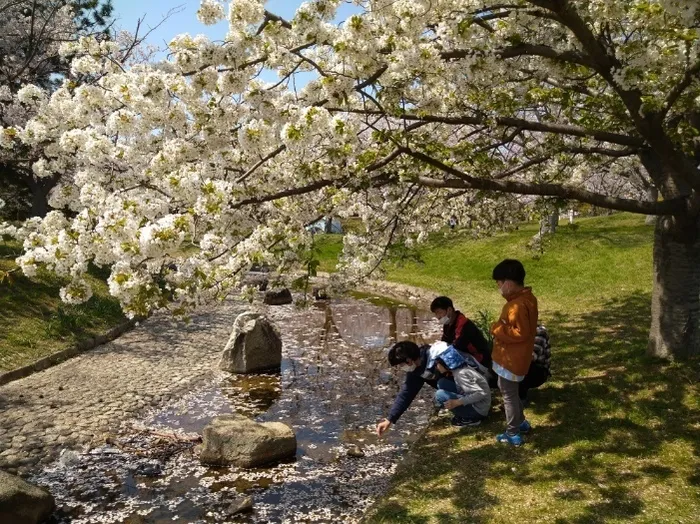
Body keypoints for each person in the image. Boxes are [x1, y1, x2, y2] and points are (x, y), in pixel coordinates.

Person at [490, 259, 538, 447]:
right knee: (512, 393)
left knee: (508, 396)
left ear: (508, 283)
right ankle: (521, 422)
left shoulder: (515, 306)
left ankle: (512, 432)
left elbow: (520, 333)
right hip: (518, 358)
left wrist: (497, 329)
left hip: (510, 360)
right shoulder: (529, 299)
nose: (499, 288)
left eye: (499, 284)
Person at [375, 340, 446, 437]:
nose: (400, 368)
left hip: (466, 388)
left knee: (441, 393)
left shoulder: (437, 357)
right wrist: (390, 419)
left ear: (408, 361)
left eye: (401, 365)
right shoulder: (415, 370)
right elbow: (406, 394)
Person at [429, 345, 491, 427]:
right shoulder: (460, 369)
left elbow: (480, 393)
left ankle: (471, 419)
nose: (436, 367)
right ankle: (465, 413)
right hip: (478, 404)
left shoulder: (461, 374)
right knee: (442, 382)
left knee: (440, 395)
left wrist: (457, 402)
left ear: (445, 363)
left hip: (479, 410)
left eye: (437, 364)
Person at [430, 296, 492, 368]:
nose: (438, 317)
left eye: (439, 312)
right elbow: (444, 343)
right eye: (436, 314)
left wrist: (441, 362)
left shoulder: (463, 324)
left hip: (479, 362)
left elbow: (457, 347)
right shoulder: (447, 325)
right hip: (463, 358)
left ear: (449, 310)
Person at [519, 325, 551, 404]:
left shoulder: (539, 332)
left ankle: (521, 399)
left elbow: (531, 357)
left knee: (521, 366)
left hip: (538, 371)